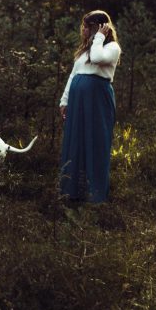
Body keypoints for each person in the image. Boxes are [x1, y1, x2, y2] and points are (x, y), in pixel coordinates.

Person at [59, 10, 121, 203]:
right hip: (78, 101)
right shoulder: (84, 50)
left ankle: (94, 195)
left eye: (87, 26)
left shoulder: (111, 48)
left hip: (97, 100)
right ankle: (72, 192)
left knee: (95, 141)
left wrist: (100, 37)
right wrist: (64, 100)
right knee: (76, 140)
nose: (83, 29)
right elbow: (73, 75)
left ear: (98, 28)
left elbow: (97, 58)